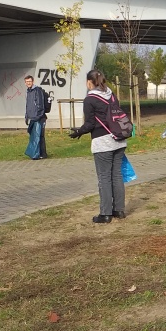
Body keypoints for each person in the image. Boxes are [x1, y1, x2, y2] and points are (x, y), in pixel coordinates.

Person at [68, 70, 126, 223]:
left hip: (102, 142)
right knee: (117, 175)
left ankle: (105, 213)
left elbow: (90, 123)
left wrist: (78, 132)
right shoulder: (112, 95)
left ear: (89, 82)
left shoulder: (89, 100)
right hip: (119, 139)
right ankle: (119, 210)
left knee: (104, 178)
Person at [23, 74, 48, 160]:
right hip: (32, 117)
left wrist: (38, 117)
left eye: (30, 81)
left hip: (39, 118)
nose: (28, 83)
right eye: (27, 82)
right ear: (25, 83)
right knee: (34, 135)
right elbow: (28, 105)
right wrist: (27, 116)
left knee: (40, 136)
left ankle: (42, 154)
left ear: (32, 81)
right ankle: (37, 153)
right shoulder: (28, 91)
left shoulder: (37, 91)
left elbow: (40, 105)